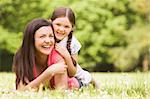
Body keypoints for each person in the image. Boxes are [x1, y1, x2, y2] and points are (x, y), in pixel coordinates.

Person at [13, 18, 79, 91]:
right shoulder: (22, 56)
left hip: (74, 85)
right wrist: (48, 73)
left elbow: (61, 91)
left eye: (51, 36)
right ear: (31, 40)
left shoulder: (58, 57)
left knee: (84, 80)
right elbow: (21, 90)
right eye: (42, 36)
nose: (48, 41)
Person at [50, 7, 99, 88]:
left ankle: (92, 81)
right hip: (55, 71)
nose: (61, 29)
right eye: (58, 24)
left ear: (72, 28)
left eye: (66, 26)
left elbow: (72, 72)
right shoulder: (46, 37)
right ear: (50, 22)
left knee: (83, 78)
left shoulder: (72, 42)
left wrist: (67, 56)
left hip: (73, 74)